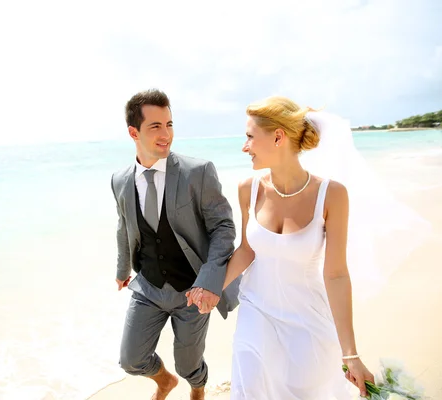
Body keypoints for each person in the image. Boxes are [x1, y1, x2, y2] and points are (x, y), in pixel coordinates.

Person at [188, 95, 377, 399]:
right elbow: (248, 251)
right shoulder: (248, 189)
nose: (244, 146)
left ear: (278, 137)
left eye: (250, 136)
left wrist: (350, 353)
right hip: (256, 310)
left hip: (307, 318)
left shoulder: (331, 195)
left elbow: (337, 274)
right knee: (250, 384)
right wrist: (214, 287)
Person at [110, 89, 241, 400]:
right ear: (134, 132)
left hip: (192, 291)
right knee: (131, 360)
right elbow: (123, 226)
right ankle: (165, 381)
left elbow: (223, 228)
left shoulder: (198, 172)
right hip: (149, 287)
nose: (165, 134)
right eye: (155, 126)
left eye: (169, 124)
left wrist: (210, 282)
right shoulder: (120, 180)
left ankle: (197, 388)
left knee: (189, 365)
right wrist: (122, 269)